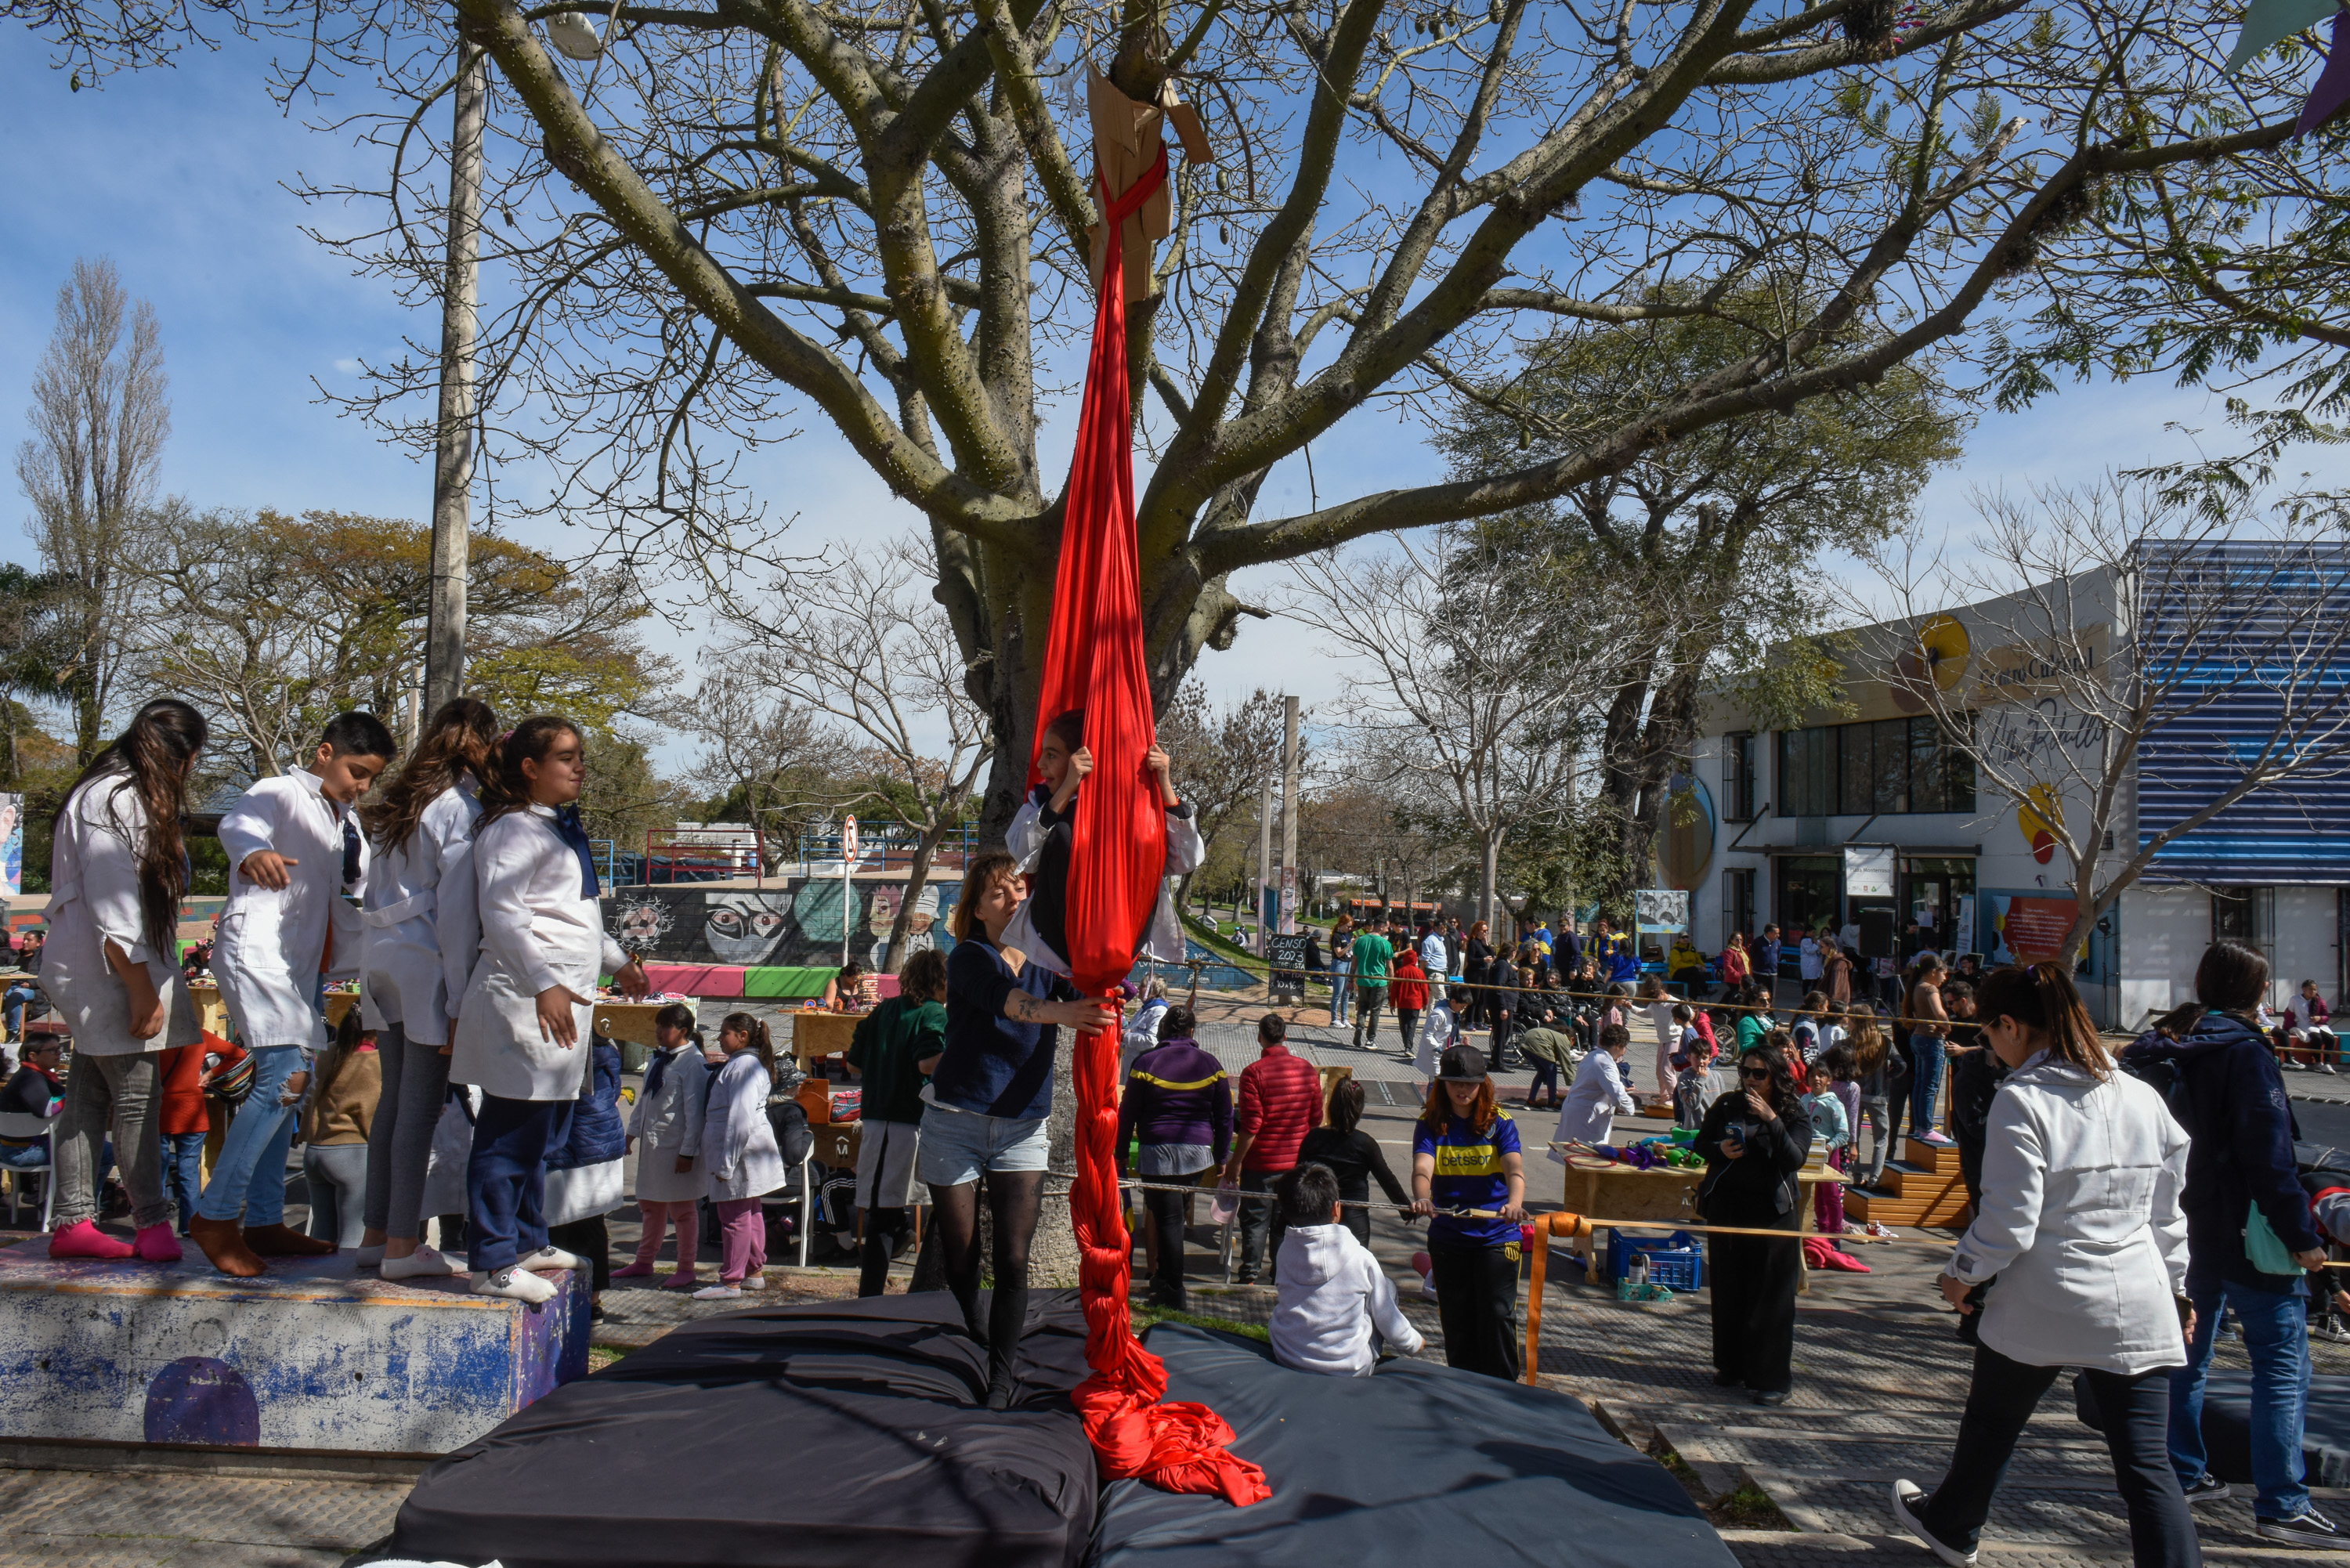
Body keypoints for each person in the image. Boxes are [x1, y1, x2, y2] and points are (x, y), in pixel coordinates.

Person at [1892, 963, 2198, 1568]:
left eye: (1987, 1034)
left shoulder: (2023, 1100)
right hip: (2136, 1294)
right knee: (2146, 1467)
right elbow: (2169, 1214)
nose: (1990, 1048)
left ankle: (1954, 1525)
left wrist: (1962, 1273)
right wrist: (2180, 1292)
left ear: (2009, 1025)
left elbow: (2009, 1220)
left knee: (1993, 1422)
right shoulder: (2142, 1095)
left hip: (2044, 1293)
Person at [2127, 940, 2337, 1545]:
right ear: (2256, 992)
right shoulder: (2246, 1052)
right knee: (2280, 1363)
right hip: (2248, 1232)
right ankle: (2283, 1503)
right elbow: (2269, 1155)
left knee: (2187, 1355)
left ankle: (2183, 1471)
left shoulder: (2163, 1044)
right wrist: (2303, 1237)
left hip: (2175, 1227)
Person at [450, 717, 651, 1304]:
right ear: (530, 769)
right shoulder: (512, 830)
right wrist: (544, 985)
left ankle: (527, 1237)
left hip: (562, 1000)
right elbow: (505, 916)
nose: (579, 766)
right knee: (509, 1134)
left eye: (580, 755)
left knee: (544, 1134)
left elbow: (576, 917)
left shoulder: (558, 828)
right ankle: (491, 1258)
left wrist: (620, 963)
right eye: (566, 756)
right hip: (525, 999)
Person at [196, 710, 396, 1276]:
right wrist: (252, 852)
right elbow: (238, 823)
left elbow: (353, 894)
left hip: (302, 968)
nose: (361, 785)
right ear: (324, 752)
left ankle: (263, 1220)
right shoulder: (279, 790)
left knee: (294, 1089)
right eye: (357, 771)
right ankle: (217, 1216)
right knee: (286, 1077)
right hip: (259, 951)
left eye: (370, 778)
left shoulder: (342, 821)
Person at [924, 850, 1112, 1409]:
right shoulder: (967, 957)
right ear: (977, 909)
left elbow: (1082, 995)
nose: (1013, 899)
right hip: (953, 1123)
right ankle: (971, 1315)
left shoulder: (1049, 962)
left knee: (1012, 1255)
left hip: (1021, 1129)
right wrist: (1065, 1015)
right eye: (999, 893)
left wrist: (1104, 996)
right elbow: (1008, 1004)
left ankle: (1001, 1377)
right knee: (961, 1252)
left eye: (1018, 888)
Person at [40, 699, 211, 1263]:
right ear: (180, 757)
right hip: (109, 968)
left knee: (89, 1093)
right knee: (138, 1097)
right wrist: (139, 985)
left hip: (107, 963)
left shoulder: (109, 791)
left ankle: (72, 1221)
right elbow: (113, 898)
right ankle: (152, 1223)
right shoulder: (114, 797)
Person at [356, 696, 494, 1282]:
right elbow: (460, 915)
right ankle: (402, 1245)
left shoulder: (400, 804)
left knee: (394, 1102)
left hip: (381, 955)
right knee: (420, 1106)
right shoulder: (459, 809)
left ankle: (376, 1233)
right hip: (426, 960)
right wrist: (462, 1000)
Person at [1002, 711, 1202, 981]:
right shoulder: (1039, 803)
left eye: (1051, 755)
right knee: (1063, 832)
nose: (1040, 764)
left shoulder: (1134, 808)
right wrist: (1068, 787)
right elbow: (1023, 856)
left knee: (1138, 837)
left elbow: (1186, 861)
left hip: (1123, 931)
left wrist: (1164, 784)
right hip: (1064, 936)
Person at [1694, 1040, 1813, 1405]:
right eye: (1744, 1072)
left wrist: (1771, 1120)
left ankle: (1772, 1377)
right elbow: (1701, 1143)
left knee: (1771, 1294)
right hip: (1728, 1207)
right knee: (1729, 1288)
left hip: (1772, 1214)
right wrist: (1720, 1150)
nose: (1750, 1080)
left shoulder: (1793, 1112)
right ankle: (1732, 1366)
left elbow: (1794, 1160)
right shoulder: (1727, 1104)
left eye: (1758, 1074)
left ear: (1776, 1076)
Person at [1408, 1046, 1525, 1379]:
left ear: (1483, 1083)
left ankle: (1504, 1386)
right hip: (1449, 1236)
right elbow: (1421, 1169)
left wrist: (1515, 1203)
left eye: (1470, 1084)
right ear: (1442, 1084)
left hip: (1498, 1235)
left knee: (1498, 1312)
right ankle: (1462, 1382)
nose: (1462, 1090)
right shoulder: (1430, 1123)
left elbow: (1515, 1170)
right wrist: (1422, 1198)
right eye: (1454, 1083)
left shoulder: (1500, 1122)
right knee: (1456, 1317)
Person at [844, 946, 946, 1297]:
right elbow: (928, 1063)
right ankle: (870, 1298)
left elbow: (853, 1065)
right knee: (885, 1213)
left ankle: (870, 1291)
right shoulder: (933, 1012)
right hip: (906, 1120)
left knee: (881, 1208)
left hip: (875, 1118)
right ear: (940, 980)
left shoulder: (883, 1010)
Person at [1115, 1002, 1231, 1310]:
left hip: (1157, 1154)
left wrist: (1120, 1151)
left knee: (1168, 1219)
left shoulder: (1145, 1063)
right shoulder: (1212, 1065)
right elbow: (1224, 1117)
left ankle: (1173, 1289)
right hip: (1196, 1156)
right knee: (1172, 1216)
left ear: (1163, 1030)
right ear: (1192, 1032)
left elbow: (1128, 1114)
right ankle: (1164, 1280)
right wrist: (1221, 1156)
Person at [1271, 1162, 1424, 1376]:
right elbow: (1388, 1319)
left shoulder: (1285, 1251)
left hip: (1289, 1356)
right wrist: (1414, 1342)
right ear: (1337, 1208)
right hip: (1349, 1366)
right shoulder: (1360, 1258)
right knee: (1386, 1287)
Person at [616, 1002, 711, 1289]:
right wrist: (631, 1135)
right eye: (658, 1025)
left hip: (676, 1147)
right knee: (649, 1205)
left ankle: (686, 1267)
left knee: (682, 1210)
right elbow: (645, 1102)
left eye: (665, 1027)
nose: (659, 1031)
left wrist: (688, 1152)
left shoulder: (693, 1063)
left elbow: (696, 1113)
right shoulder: (659, 1059)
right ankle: (644, 1261)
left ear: (683, 1031)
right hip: (653, 1147)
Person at [1223, 1012, 1321, 1286]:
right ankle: (1281, 1278)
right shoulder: (1307, 1069)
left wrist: (1236, 1162)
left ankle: (1250, 1276)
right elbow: (1316, 1119)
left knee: (1255, 1221)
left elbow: (1252, 1125)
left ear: (1260, 1037)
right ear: (1285, 1036)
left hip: (1260, 1163)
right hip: (1295, 1164)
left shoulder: (1253, 1073)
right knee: (1286, 1223)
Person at [692, 1013, 785, 1301]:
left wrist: (726, 1163)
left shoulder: (743, 1066)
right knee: (751, 1212)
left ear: (743, 1036)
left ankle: (730, 1281)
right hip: (744, 1152)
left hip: (738, 1154)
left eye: (725, 1033)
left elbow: (739, 1120)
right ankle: (754, 1271)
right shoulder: (746, 1064)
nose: (719, 1038)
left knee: (734, 1217)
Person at [298, 1013, 380, 1249]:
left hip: (315, 1151)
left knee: (321, 1237)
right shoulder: (372, 1060)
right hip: (351, 1154)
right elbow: (372, 1113)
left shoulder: (328, 1053)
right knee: (352, 1240)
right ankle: (339, 1284)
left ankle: (312, 1284)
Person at [1296, 1078, 1409, 1248]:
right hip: (1354, 1217)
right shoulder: (1365, 1143)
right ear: (1359, 1109)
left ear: (1331, 1106)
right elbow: (1387, 1179)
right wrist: (1406, 1209)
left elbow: (1298, 1176)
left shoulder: (1313, 1138)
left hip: (1317, 1213)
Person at [155, 1031, 243, 1237]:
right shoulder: (200, 1035)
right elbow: (238, 1054)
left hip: (160, 1111)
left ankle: (156, 1227)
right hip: (192, 1113)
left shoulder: (156, 1036)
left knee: (156, 1173)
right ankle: (189, 1226)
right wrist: (211, 1074)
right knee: (189, 1173)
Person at [1552, 1021, 1636, 1155]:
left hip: (1577, 1108)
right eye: (1624, 1048)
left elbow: (1598, 1083)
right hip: (1586, 1116)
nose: (1623, 1053)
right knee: (1585, 1158)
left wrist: (1621, 1089)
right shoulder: (1605, 1063)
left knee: (1572, 1155)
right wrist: (1631, 1108)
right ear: (1619, 1046)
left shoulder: (1593, 1056)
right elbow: (1618, 1096)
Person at [1, 1034, 63, 1175]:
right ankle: (76, 1197)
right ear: (33, 1056)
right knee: (104, 1153)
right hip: (23, 1152)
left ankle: (40, 1196)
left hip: (24, 1148)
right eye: (53, 1050)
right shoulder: (30, 1078)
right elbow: (47, 1109)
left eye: (59, 1048)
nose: (59, 1052)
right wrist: (72, 1096)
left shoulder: (36, 1075)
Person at [1907, 955, 1954, 1144]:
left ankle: (1920, 1126)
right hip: (1931, 1038)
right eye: (1943, 973)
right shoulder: (1930, 988)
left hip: (1919, 1037)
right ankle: (1926, 1128)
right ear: (1934, 972)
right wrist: (1948, 1026)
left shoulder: (1918, 986)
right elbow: (1940, 1012)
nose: (1945, 978)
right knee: (1930, 1086)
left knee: (1921, 1084)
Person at [1349, 917, 1394, 1051]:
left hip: (1363, 980)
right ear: (1381, 927)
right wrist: (1391, 981)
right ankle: (1370, 1039)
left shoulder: (1360, 940)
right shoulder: (1385, 944)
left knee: (1362, 1006)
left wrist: (1351, 979)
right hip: (1379, 981)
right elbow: (1390, 965)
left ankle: (1359, 1026)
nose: (1387, 930)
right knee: (1375, 1010)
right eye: (1386, 927)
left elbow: (1354, 962)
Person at [2284, 981, 2337, 1075]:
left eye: (2315, 990)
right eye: (2311, 989)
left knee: (2330, 1039)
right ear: (2304, 989)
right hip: (2304, 1024)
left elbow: (2326, 1016)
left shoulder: (2320, 1000)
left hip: (2319, 1025)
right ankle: (2318, 1061)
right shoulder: (2295, 1000)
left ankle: (2327, 1063)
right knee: (2317, 1038)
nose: (2313, 992)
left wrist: (2319, 1018)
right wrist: (2291, 1027)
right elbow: (2289, 1015)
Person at [1121, 977, 1170, 1076]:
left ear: (1154, 991)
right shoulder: (1145, 1009)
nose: (1138, 988)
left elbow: (1152, 1041)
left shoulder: (1159, 1012)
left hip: (1142, 1071)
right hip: (1131, 1067)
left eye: (1143, 986)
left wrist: (1125, 1037)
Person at [1416, 984, 1463, 1082]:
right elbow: (1427, 1034)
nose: (1462, 1009)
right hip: (1436, 1053)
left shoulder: (1454, 1013)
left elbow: (1450, 1031)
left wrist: (1461, 1039)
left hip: (1446, 1053)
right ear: (1453, 1002)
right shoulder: (1439, 1014)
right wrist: (1439, 1049)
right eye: (1461, 1006)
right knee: (1435, 1083)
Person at [1390, 946, 1428, 1061]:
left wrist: (1392, 1003)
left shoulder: (1399, 972)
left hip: (1402, 1003)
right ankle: (1408, 1047)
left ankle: (1406, 1044)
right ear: (1415, 960)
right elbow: (1424, 989)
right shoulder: (1420, 973)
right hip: (1415, 1004)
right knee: (1412, 1025)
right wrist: (1425, 1002)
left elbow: (1394, 989)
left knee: (1403, 1025)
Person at [1460, 919, 1491, 1028]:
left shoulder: (1482, 943)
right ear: (1478, 931)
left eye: (1487, 931)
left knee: (1482, 999)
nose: (1486, 933)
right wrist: (1483, 960)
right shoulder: (1473, 942)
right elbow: (1471, 959)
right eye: (1484, 931)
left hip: (1483, 973)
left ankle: (1479, 1021)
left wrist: (1486, 944)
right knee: (1474, 998)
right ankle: (1469, 1021)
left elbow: (1492, 953)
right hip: (1474, 973)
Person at [1329, 913, 1356, 1028]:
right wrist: (1350, 945)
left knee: (1346, 993)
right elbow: (1339, 953)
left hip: (1349, 963)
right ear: (1341, 924)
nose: (1349, 929)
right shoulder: (1337, 936)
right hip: (1339, 964)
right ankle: (1334, 1019)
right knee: (1338, 993)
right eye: (1348, 926)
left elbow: (1361, 933)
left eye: (1351, 927)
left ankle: (1344, 1019)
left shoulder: (1348, 934)